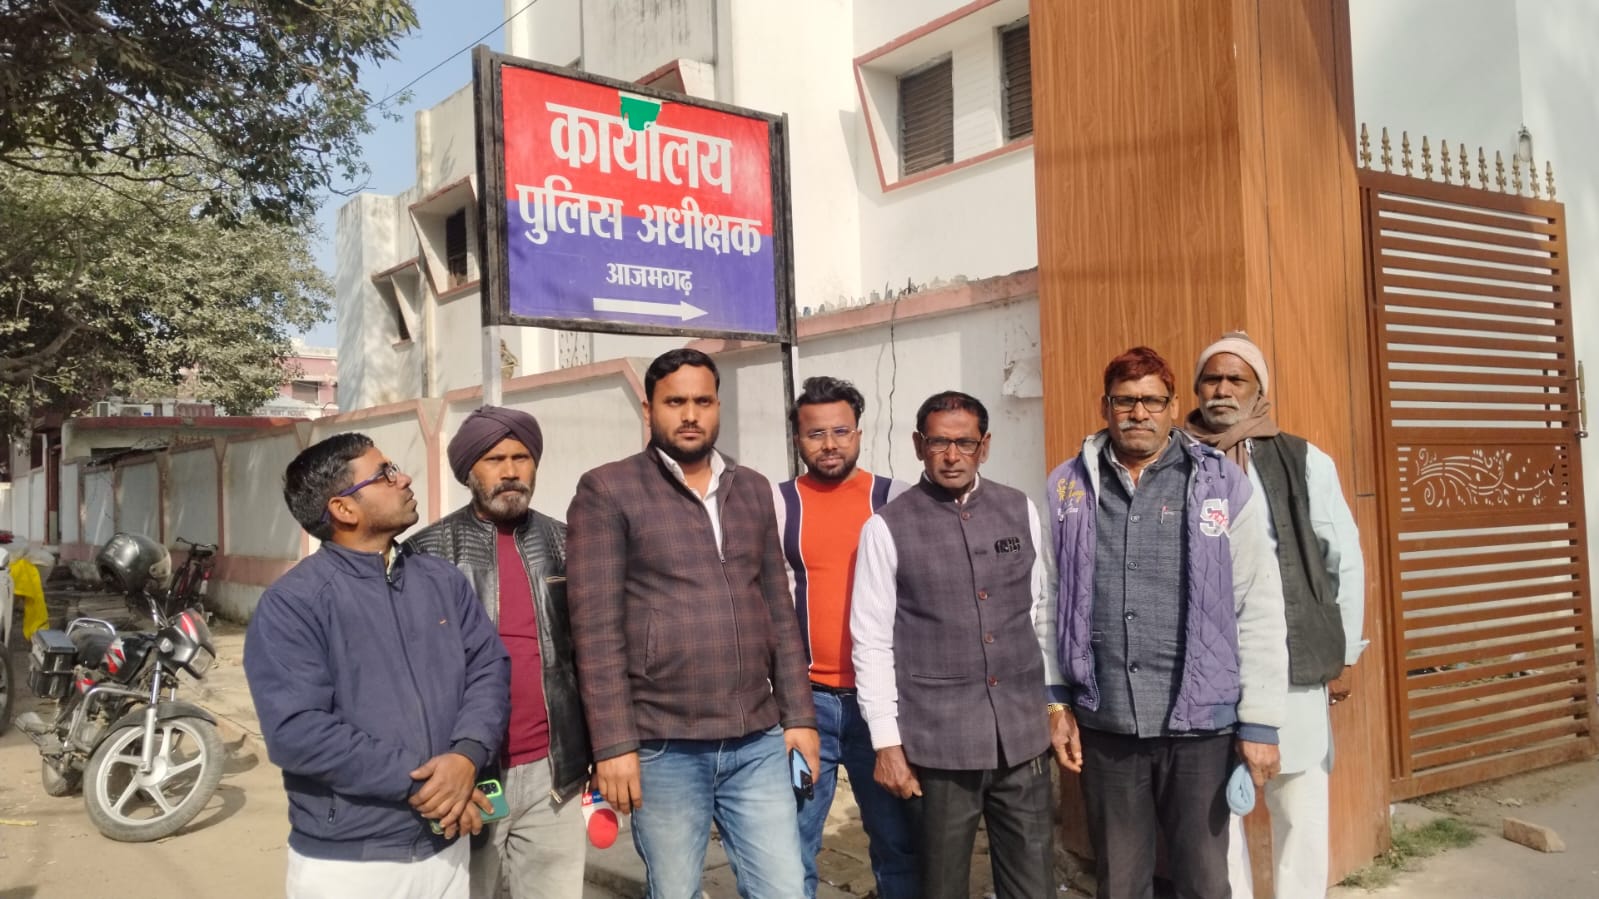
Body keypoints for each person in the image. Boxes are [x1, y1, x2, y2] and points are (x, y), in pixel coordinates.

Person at [566, 348, 819, 899]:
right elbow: (595, 630)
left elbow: (778, 609)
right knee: (677, 891)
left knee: (784, 888)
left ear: (718, 406)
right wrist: (612, 745)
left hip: (756, 738)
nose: (689, 415)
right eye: (674, 402)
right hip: (665, 744)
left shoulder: (752, 487)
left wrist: (800, 716)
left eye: (702, 401)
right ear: (648, 409)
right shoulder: (609, 489)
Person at [1045, 347, 1288, 899]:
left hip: (1200, 727)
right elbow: (1050, 600)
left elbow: (1258, 603)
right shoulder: (1068, 487)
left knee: (1203, 879)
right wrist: (1056, 701)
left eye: (1152, 401)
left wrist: (1260, 722)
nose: (1139, 413)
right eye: (1125, 401)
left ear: (1174, 406)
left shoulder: (1220, 483)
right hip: (1108, 722)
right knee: (1121, 881)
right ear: (1105, 406)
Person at [245, 433, 510, 899]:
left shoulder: (441, 580)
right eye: (385, 473)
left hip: (447, 846)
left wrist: (467, 755)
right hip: (351, 862)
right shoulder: (294, 603)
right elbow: (299, 732)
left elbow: (488, 668)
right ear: (344, 509)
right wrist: (427, 783)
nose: (403, 479)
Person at [851, 390, 1075, 899]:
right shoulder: (887, 527)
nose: (952, 456)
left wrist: (1054, 704)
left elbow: (1038, 613)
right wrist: (887, 743)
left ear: (984, 446)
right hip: (938, 744)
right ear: (918, 445)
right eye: (939, 443)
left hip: (1021, 739)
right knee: (943, 885)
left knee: (1033, 885)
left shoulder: (1019, 509)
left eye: (965, 443)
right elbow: (871, 641)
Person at [1185, 334, 1366, 899]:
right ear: (1196, 389)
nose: (1222, 389)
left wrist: (1344, 653)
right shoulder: (1176, 458)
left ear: (1259, 390)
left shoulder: (1304, 460)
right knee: (1214, 813)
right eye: (1212, 379)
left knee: (1300, 803)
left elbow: (1344, 560)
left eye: (1236, 379)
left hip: (1290, 658)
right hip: (1205, 665)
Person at [408, 406, 592, 899]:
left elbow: (590, 655)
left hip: (555, 772)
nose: (510, 471)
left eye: (521, 458)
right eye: (494, 460)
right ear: (469, 471)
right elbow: (412, 677)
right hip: (468, 774)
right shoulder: (426, 554)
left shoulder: (565, 543)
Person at [772, 376, 918, 899]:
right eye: (816, 434)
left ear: (859, 432)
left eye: (840, 431)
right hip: (805, 708)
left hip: (882, 709)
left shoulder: (896, 500)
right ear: (797, 439)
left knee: (898, 842)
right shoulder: (778, 504)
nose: (829, 444)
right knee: (791, 842)